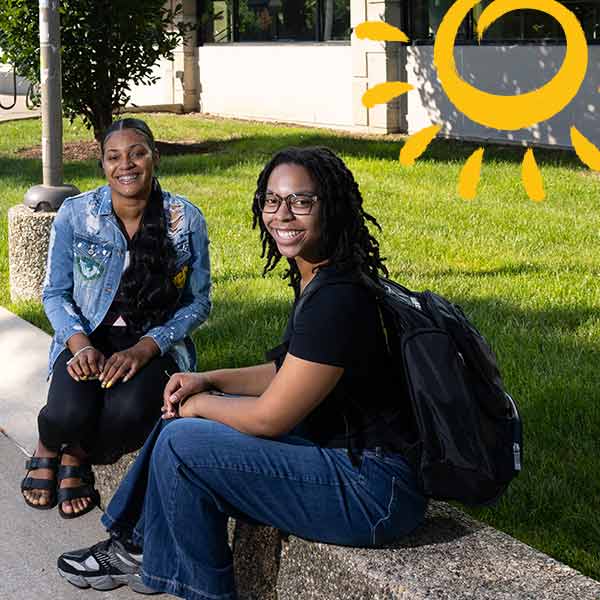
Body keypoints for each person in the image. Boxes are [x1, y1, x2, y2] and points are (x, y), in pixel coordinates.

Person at [56, 146, 426, 597]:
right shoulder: (323, 278)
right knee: (183, 429)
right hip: (348, 462)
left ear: (331, 207)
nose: (282, 214)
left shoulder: (336, 300)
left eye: (301, 201)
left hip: (372, 490)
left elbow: (271, 417)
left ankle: (143, 551)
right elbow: (285, 371)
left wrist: (199, 405)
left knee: (183, 439)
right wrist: (208, 380)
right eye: (272, 200)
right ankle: (138, 546)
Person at [21, 118, 211, 519]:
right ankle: (52, 443)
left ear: (154, 158)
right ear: (103, 165)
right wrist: (79, 344)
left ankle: (76, 453)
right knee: (66, 414)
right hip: (88, 337)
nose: (126, 165)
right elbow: (54, 294)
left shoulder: (185, 219)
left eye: (137, 153)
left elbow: (198, 303)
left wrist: (146, 348)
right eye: (114, 157)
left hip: (150, 343)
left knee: (129, 416)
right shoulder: (76, 215)